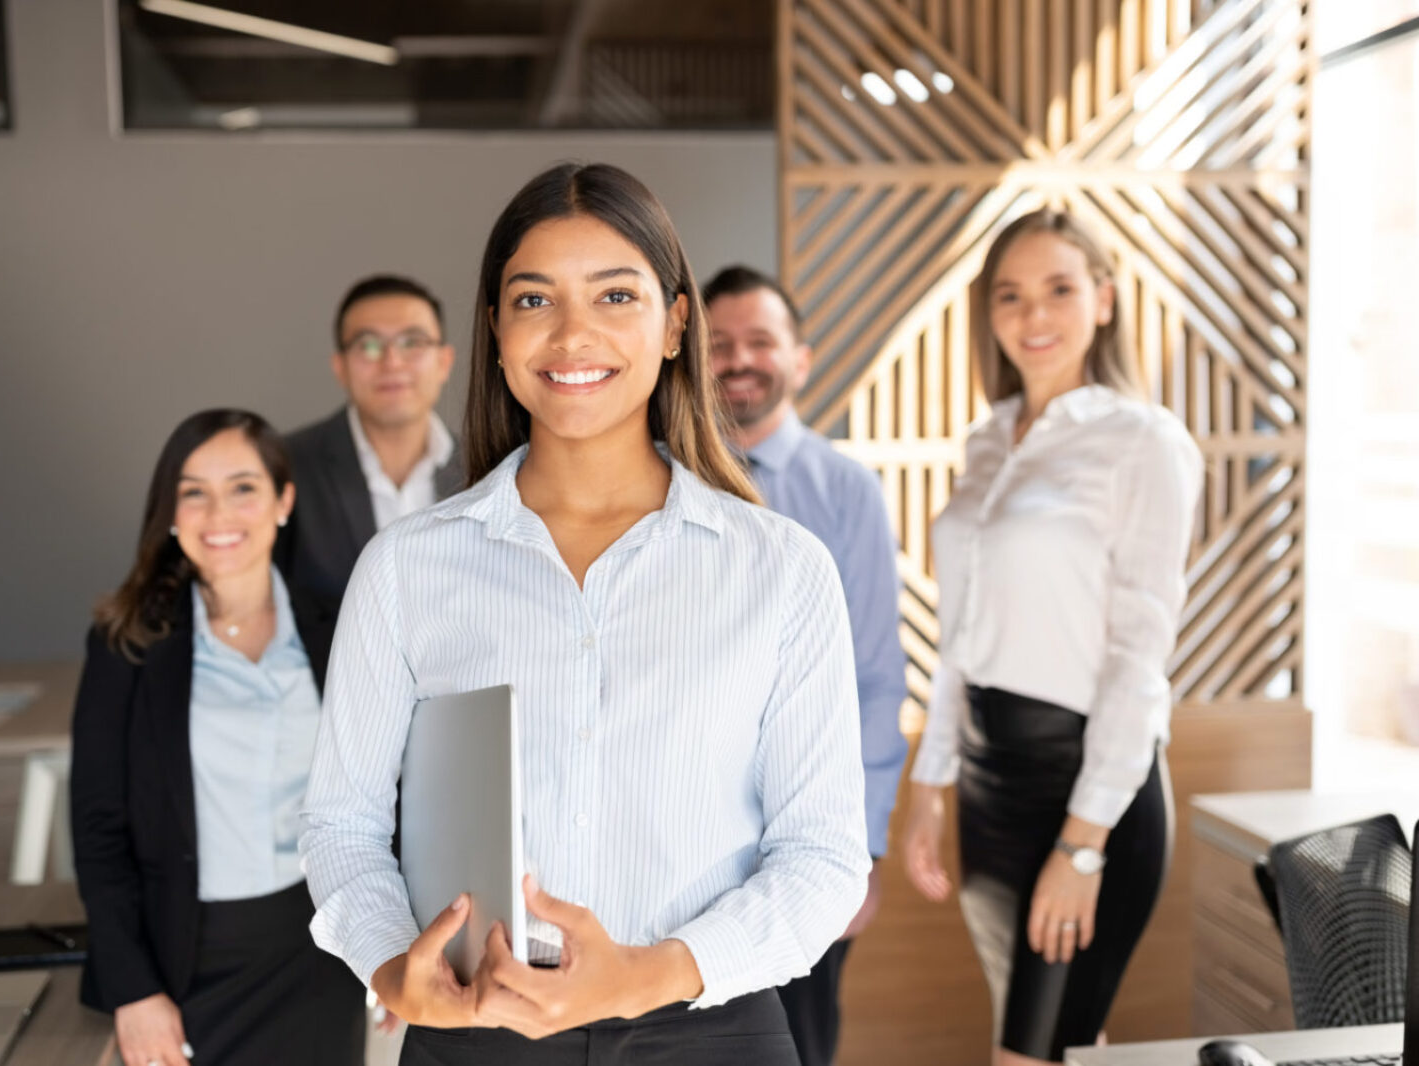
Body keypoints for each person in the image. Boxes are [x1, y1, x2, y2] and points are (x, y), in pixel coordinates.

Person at [299, 162, 871, 1066]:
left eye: (614, 295)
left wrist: (648, 974)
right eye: (533, 301)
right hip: (477, 1034)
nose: (572, 334)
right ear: (493, 330)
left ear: (677, 322)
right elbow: (342, 828)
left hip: (710, 1033)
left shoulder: (781, 571)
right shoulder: (407, 570)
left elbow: (824, 857)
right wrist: (386, 965)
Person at [901, 209, 1204, 1065]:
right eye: (1011, 295)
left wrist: (1083, 843)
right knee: (1067, 1045)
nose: (1034, 316)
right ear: (989, 314)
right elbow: (963, 634)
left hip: (1087, 792)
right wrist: (933, 783)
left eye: (1060, 289)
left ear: (1104, 300)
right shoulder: (988, 439)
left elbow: (1140, 655)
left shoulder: (1143, 441)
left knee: (1028, 1054)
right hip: (989, 786)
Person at [70, 409, 364, 1066]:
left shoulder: (340, 628)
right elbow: (97, 830)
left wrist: (394, 942)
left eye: (243, 487)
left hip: (318, 954)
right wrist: (134, 990)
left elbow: (383, 800)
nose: (218, 512)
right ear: (170, 513)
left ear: (283, 500)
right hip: (182, 958)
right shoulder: (128, 645)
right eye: (193, 491)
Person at [704, 265, 909, 1066]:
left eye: (760, 341)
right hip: (692, 842)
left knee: (800, 1042)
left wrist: (861, 848)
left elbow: (875, 676)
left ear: (801, 358)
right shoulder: (664, 481)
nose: (740, 359)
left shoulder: (846, 490)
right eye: (719, 345)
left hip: (806, 836)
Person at [277, 275, 464, 606]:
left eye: (412, 343)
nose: (391, 362)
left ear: (444, 362)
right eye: (369, 345)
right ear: (340, 367)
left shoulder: (489, 467)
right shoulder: (286, 466)